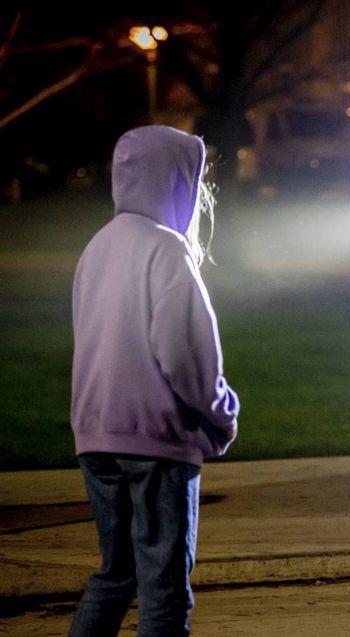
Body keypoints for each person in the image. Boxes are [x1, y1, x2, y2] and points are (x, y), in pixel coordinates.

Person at [68, 125, 240, 636]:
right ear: (175, 181)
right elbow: (185, 355)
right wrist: (222, 412)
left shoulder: (96, 247)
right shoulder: (167, 251)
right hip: (157, 442)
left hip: (96, 437)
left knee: (115, 574)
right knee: (164, 590)